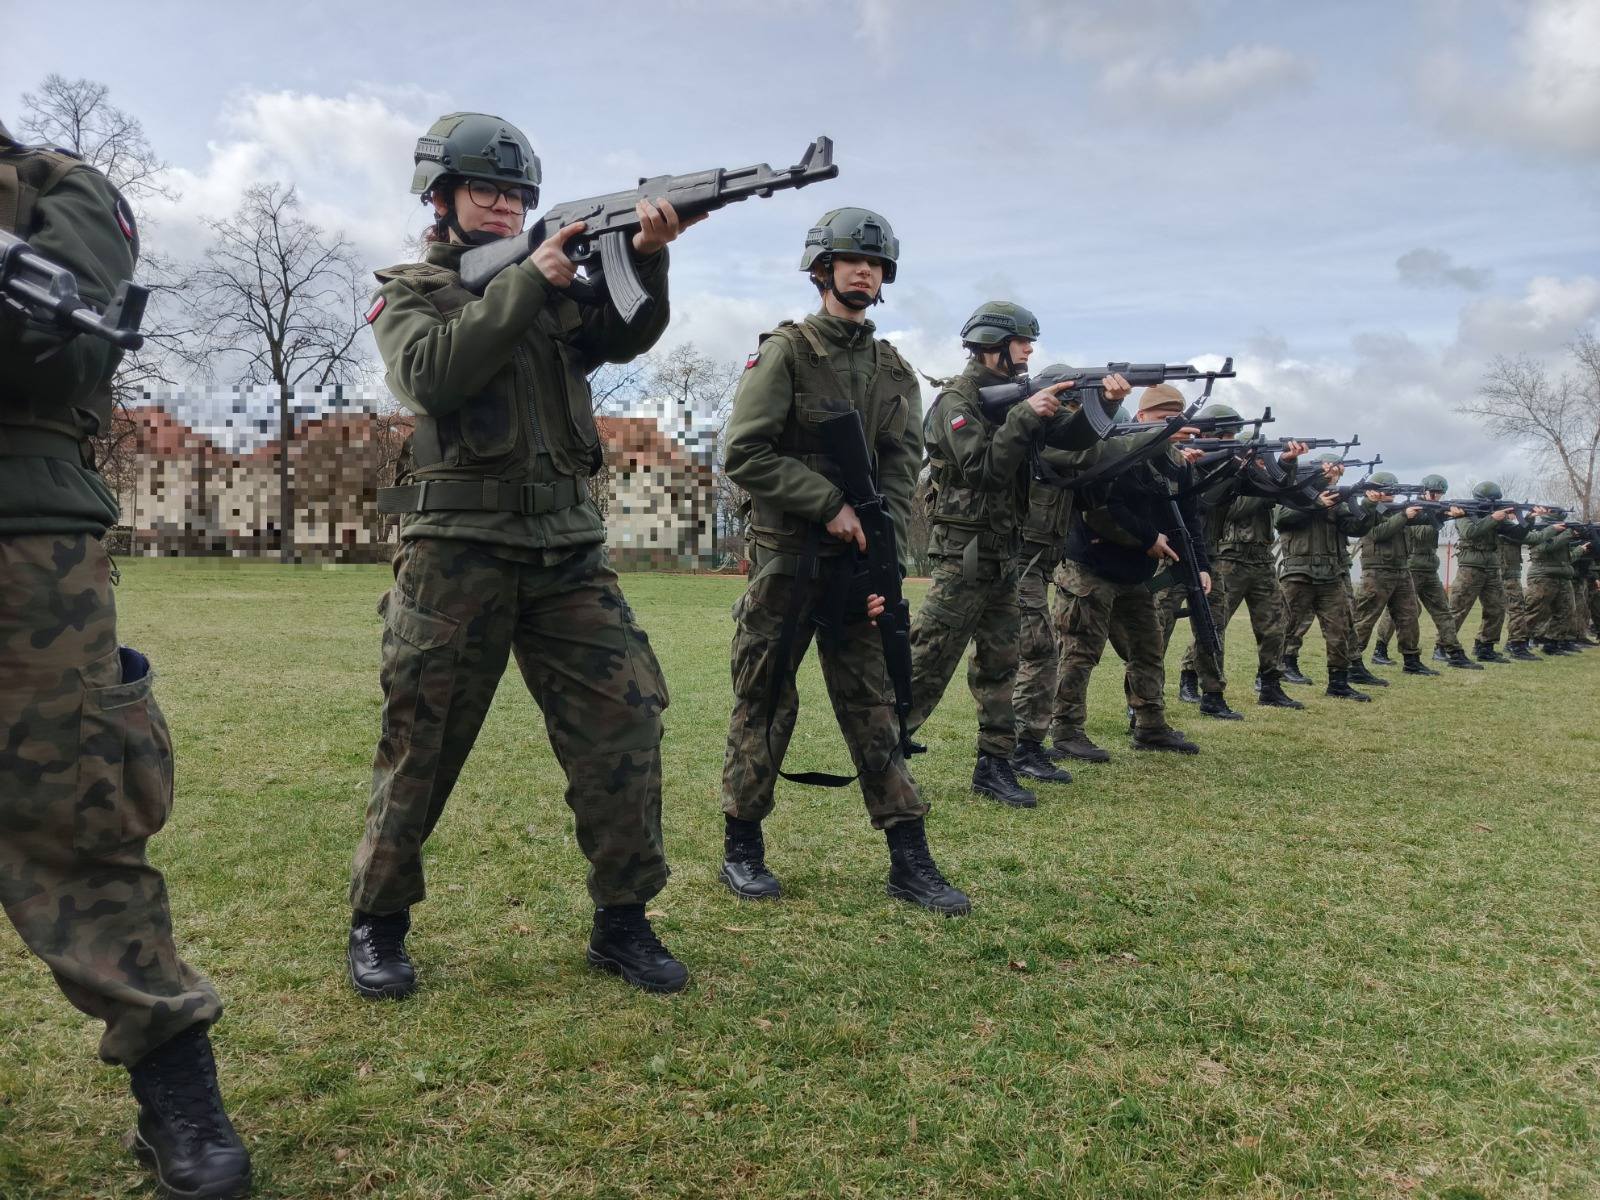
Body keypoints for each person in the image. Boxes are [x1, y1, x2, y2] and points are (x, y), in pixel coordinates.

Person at [349, 112, 695, 997]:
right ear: (441, 197)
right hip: (457, 553)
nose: (504, 206)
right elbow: (430, 376)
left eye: (517, 194)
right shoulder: (412, 292)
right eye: (486, 190)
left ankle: (623, 920)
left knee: (625, 723)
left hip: (567, 551)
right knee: (422, 743)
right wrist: (530, 280)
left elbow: (622, 335)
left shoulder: (553, 287)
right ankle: (378, 922)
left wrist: (648, 255)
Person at [0, 119, 251, 1197]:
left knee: (78, 815)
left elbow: (75, 344)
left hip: (21, 537)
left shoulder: (52, 185)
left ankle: (172, 1077)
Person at [717, 207, 971, 915]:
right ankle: (742, 847)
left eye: (876, 264)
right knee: (765, 698)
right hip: (786, 562)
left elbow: (902, 466)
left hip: (858, 563)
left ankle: (909, 858)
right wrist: (828, 503)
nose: (865, 271)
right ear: (822, 269)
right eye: (851, 260)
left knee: (875, 704)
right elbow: (744, 452)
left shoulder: (895, 371)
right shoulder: (787, 353)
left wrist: (881, 552)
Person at [906, 301, 1096, 805]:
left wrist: (1102, 404)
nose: (1030, 350)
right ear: (994, 343)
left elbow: (1073, 441)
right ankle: (884, 753)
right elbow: (982, 470)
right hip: (964, 553)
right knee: (930, 656)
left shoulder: (1018, 398)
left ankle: (994, 763)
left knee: (1002, 661)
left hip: (1005, 551)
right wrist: (1025, 415)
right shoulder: (956, 401)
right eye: (1022, 341)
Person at [1050, 383, 1206, 760]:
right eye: (1162, 418)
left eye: (1177, 418)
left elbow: (1188, 519)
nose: (1171, 424)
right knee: (1079, 651)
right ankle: (1066, 731)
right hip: (1090, 568)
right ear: (1140, 417)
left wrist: (1200, 565)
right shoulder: (1117, 450)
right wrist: (1147, 537)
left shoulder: (1177, 465)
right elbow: (1101, 509)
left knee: (1147, 649)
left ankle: (1150, 725)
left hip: (1136, 573)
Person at [1275, 460, 1379, 700]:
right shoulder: (1289, 495)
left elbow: (1354, 527)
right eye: (1327, 475)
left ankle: (1338, 683)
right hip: (1298, 573)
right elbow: (1282, 519)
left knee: (1339, 629)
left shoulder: (1336, 500)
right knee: (1283, 628)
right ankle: (1269, 677)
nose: (1332, 479)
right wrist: (1317, 504)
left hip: (1331, 575)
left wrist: (1369, 505)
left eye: (1333, 475)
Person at [1373, 475, 1482, 670]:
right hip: (1412, 567)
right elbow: (1421, 534)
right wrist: (1435, 514)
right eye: (1433, 493)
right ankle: (1380, 649)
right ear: (1423, 491)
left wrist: (1447, 514)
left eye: (1439, 494)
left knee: (1443, 611)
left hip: (1429, 568)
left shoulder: (1430, 509)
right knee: (1399, 612)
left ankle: (1453, 652)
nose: (1436, 497)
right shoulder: (1411, 509)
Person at [1349, 473, 1434, 678]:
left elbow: (1424, 521)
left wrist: (1435, 509)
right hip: (1377, 570)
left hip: (1401, 568)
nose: (1392, 493)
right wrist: (1404, 515)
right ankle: (1352, 663)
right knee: (1365, 617)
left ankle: (1411, 660)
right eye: (1388, 489)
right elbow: (1377, 533)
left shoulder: (1395, 509)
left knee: (1409, 615)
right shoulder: (1367, 509)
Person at [1444, 482, 1534, 663]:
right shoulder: (1464, 512)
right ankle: (1443, 647)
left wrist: (1529, 519)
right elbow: (1470, 532)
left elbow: (1517, 534)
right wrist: (1493, 518)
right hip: (1470, 566)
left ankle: (1485, 647)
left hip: (1492, 566)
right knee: (1458, 609)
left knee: (1497, 608)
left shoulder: (1496, 516)